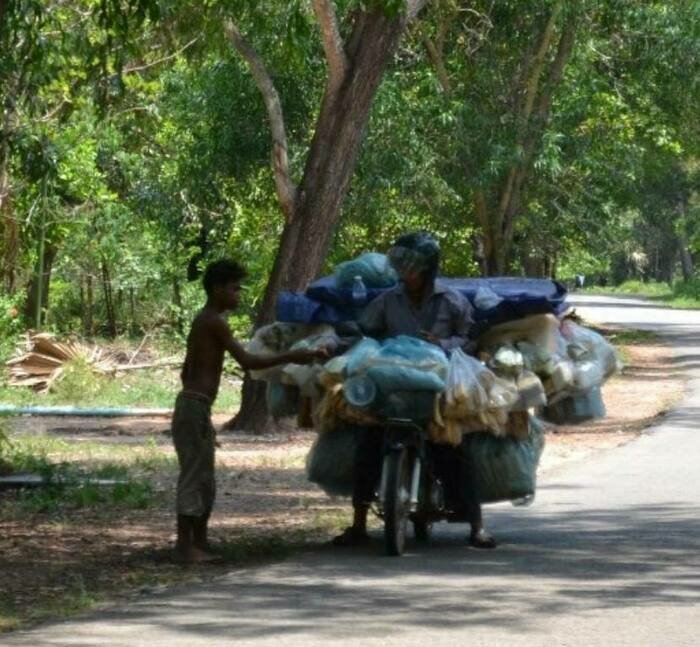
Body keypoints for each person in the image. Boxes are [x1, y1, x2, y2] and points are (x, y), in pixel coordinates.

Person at [332, 232, 497, 549]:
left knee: (453, 448)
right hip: (394, 387)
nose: (404, 271)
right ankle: (358, 523)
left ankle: (477, 526)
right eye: (401, 264)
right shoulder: (387, 300)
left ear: (427, 268)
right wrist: (336, 343)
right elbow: (365, 332)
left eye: (411, 265)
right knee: (367, 444)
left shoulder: (451, 301)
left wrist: (443, 344)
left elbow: (471, 339)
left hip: (435, 389)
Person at [173, 259, 327, 563]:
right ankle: (184, 547)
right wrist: (294, 355)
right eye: (233, 288)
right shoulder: (214, 321)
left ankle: (199, 542)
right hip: (194, 406)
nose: (238, 295)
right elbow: (248, 362)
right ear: (217, 289)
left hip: (194, 406)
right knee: (194, 476)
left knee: (205, 476)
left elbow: (186, 369)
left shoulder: (203, 321)